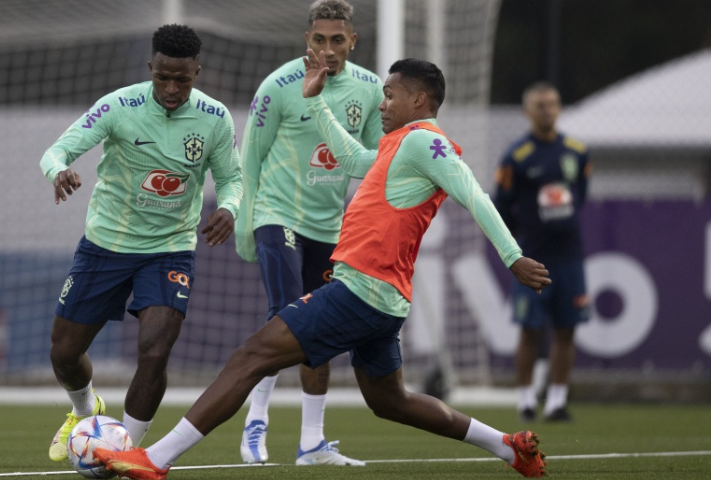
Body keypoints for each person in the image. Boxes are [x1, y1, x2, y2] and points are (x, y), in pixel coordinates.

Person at [94, 50, 551, 479]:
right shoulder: (398, 145)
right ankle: (509, 447)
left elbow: (474, 194)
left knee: (250, 356)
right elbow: (350, 158)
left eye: (390, 95)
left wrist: (512, 257)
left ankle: (155, 460)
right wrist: (316, 103)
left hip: (361, 291)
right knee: (390, 400)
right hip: (381, 297)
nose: (381, 104)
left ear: (418, 100)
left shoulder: (425, 142)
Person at [38, 24, 242, 462]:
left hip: (170, 249)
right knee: (64, 353)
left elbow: (231, 178)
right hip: (106, 245)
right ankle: (84, 409)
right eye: (162, 77)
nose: (171, 89)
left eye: (181, 80)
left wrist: (229, 208)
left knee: (155, 351)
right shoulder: (118, 105)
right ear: (151, 67)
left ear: (196, 72)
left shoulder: (214, 118)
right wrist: (59, 171)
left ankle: (124, 451)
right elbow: (56, 152)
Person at [234, 0, 382, 466]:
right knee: (285, 314)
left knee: (321, 328)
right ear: (307, 40)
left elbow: (373, 163)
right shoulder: (278, 86)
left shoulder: (371, 89)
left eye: (337, 40)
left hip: (330, 227)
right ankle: (256, 420)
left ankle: (312, 444)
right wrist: (245, 224)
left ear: (353, 40)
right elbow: (250, 159)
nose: (328, 49)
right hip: (277, 214)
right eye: (319, 39)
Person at [493, 81, 591, 423]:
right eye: (540, 105)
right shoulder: (516, 156)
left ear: (559, 108)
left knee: (567, 329)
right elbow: (501, 205)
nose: (547, 110)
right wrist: (516, 245)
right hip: (533, 257)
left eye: (552, 103)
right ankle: (525, 401)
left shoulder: (577, 151)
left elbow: (581, 194)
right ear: (527, 112)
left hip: (570, 256)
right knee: (530, 330)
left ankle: (557, 402)